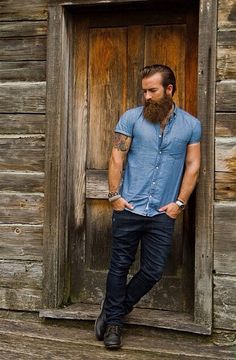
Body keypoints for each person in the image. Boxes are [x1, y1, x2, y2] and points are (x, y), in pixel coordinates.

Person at [94, 64, 201, 350]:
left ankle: (113, 308)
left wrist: (180, 203)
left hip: (162, 213)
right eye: (144, 91)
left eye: (152, 90)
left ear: (169, 89)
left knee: (153, 271)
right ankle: (115, 324)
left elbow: (193, 165)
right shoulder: (131, 118)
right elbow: (117, 156)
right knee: (119, 267)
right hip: (128, 208)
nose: (147, 96)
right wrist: (114, 195)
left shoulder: (191, 125)